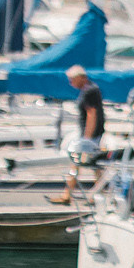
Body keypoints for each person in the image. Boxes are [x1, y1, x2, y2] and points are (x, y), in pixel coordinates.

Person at [53, 67, 106, 204]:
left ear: (81, 77)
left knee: (76, 163)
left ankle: (67, 195)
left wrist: (87, 138)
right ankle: (97, 195)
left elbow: (92, 114)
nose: (71, 83)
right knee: (95, 166)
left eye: (72, 79)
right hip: (91, 134)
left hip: (90, 135)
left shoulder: (90, 91)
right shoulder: (89, 89)